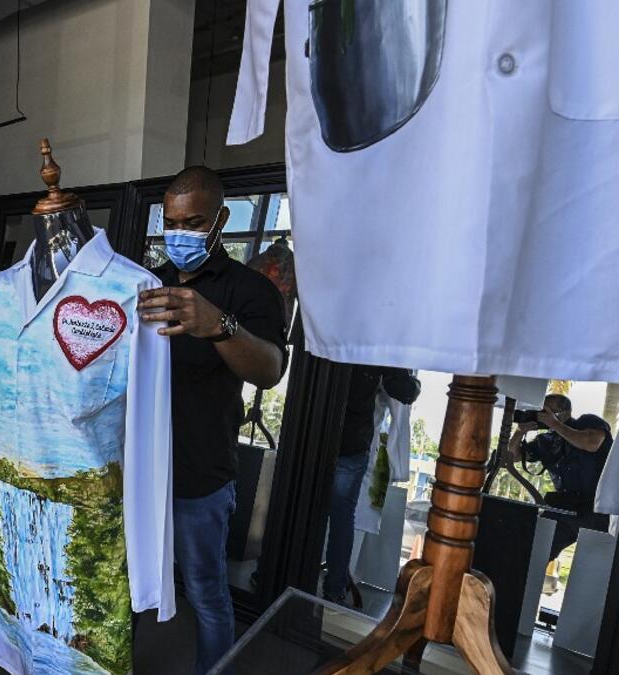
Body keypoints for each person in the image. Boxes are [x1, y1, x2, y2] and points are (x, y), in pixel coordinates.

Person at [137, 166, 288, 673]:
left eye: (193, 222)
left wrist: (218, 326)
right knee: (127, 583)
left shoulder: (249, 291)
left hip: (200, 476)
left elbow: (270, 369)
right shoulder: (147, 283)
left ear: (221, 219)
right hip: (138, 471)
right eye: (171, 223)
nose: (179, 234)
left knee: (206, 594)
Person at [322, 365, 420, 605]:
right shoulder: (379, 345)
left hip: (314, 428)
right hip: (353, 439)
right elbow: (404, 391)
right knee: (342, 518)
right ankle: (334, 589)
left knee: (301, 504)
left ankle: (274, 571)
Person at [508, 394, 613, 562]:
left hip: (596, 509)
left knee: (595, 566)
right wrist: (520, 432)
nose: (542, 415)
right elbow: (511, 457)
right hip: (564, 507)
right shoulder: (545, 440)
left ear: (565, 412)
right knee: (531, 551)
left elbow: (592, 443)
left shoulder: (586, 423)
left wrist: (555, 425)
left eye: (546, 411)